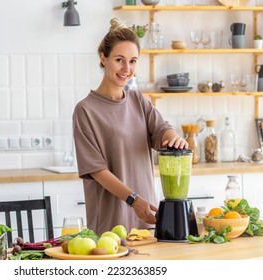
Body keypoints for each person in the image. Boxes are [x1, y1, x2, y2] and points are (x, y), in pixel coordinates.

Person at [72, 18, 188, 236]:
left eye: (133, 61)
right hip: (110, 225)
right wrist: (134, 200)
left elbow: (163, 129)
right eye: (119, 59)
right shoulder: (85, 110)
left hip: (147, 219)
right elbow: (97, 170)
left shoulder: (138, 101)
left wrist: (175, 138)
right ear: (103, 58)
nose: (127, 68)